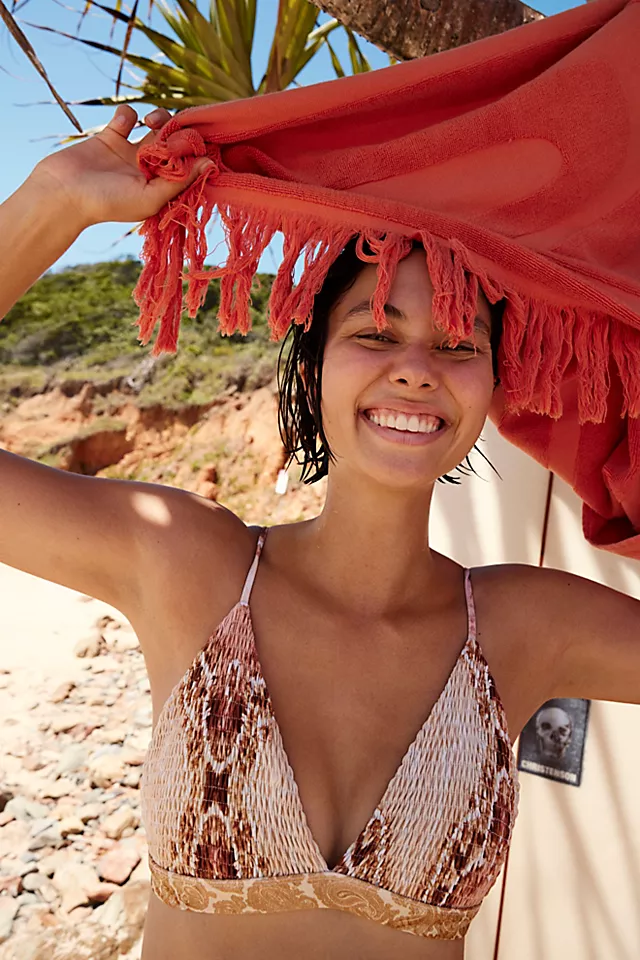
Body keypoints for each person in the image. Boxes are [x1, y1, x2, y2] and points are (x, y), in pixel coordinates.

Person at [1, 104, 638, 960]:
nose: (416, 367)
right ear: (313, 366)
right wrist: (58, 200)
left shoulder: (531, 626)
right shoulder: (187, 562)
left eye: (460, 344)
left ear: (493, 386)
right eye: (375, 333)